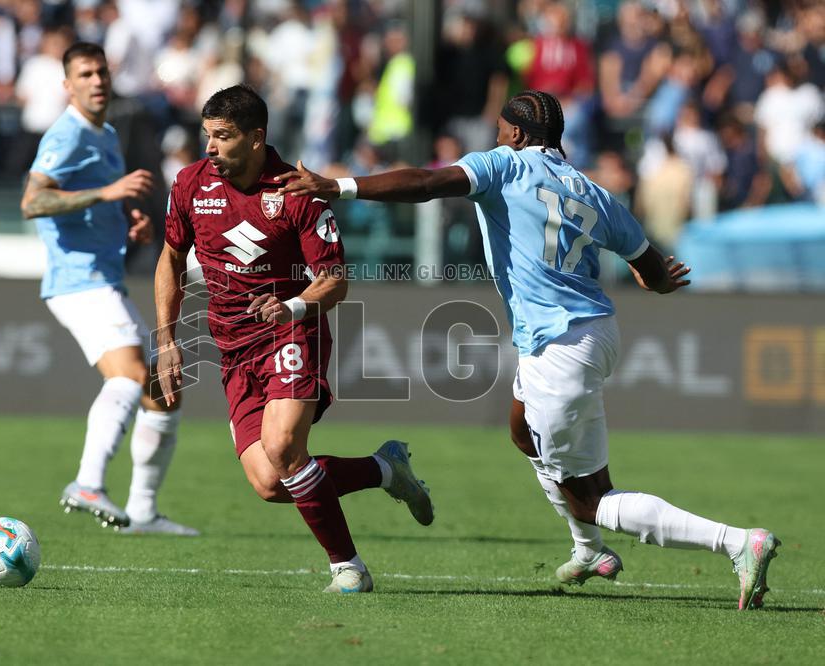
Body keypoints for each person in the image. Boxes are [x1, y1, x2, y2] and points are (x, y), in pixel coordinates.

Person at [278, 89, 780, 610]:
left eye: (499, 129)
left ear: (516, 134)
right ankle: (589, 552)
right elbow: (654, 272)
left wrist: (335, 186)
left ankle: (738, 543)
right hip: (597, 333)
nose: (494, 137)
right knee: (523, 430)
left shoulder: (506, 165)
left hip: (558, 346)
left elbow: (428, 183)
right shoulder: (595, 191)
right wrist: (657, 279)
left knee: (589, 500)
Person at [154, 85, 434, 593]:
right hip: (233, 347)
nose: (210, 147)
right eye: (207, 135)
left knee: (283, 447)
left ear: (257, 137)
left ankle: (348, 568)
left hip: (292, 332)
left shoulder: (296, 194)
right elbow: (172, 258)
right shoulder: (191, 185)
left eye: (222, 136)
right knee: (268, 482)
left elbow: (335, 280)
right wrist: (167, 340)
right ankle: (383, 470)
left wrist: (292, 305)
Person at [21, 42, 196, 537]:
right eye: (85, 73)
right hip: (77, 282)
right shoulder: (67, 133)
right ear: (67, 85)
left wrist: (128, 222)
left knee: (163, 388)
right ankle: (88, 482)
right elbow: (33, 202)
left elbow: (95, 206)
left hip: (103, 277)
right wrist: (109, 192)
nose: (97, 80)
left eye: (101, 71)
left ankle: (143, 512)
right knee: (131, 375)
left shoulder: (107, 132)